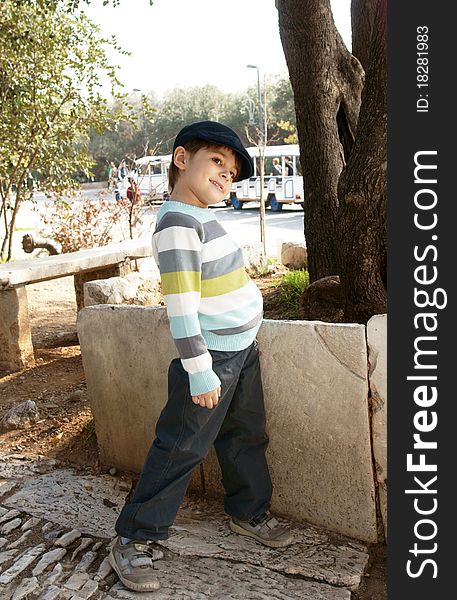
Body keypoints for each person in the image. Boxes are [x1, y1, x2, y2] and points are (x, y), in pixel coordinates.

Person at [109, 121, 293, 592]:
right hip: (210, 359)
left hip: (240, 351)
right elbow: (182, 309)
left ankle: (248, 512)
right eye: (217, 162)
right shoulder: (176, 224)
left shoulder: (201, 217)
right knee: (180, 447)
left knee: (245, 435)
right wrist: (199, 371)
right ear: (180, 160)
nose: (225, 177)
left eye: (231, 173)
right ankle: (135, 538)